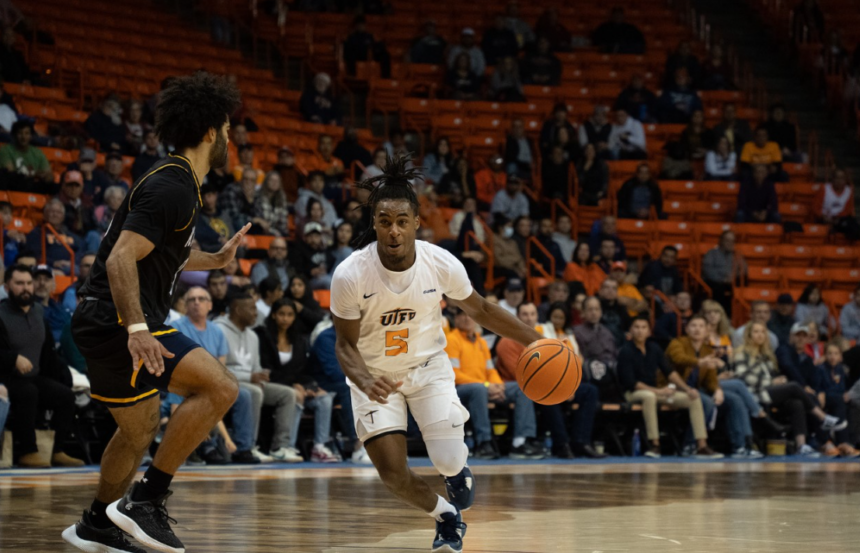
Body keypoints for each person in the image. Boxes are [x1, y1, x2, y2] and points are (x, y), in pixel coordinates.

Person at [63, 73, 247, 553]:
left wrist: (215, 260)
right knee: (220, 387)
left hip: (108, 316)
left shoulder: (176, 179)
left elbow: (161, 251)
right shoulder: (174, 186)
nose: (230, 137)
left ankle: (98, 522)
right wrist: (138, 329)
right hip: (116, 318)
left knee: (140, 428)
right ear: (210, 132)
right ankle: (147, 500)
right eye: (226, 128)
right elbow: (122, 256)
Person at [329, 155, 546, 553]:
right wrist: (362, 379)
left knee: (446, 460)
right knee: (393, 474)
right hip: (374, 375)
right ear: (373, 223)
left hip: (428, 367)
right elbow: (344, 344)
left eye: (401, 221)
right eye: (383, 221)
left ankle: (456, 469)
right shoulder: (349, 274)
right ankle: (446, 516)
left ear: (415, 222)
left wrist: (538, 339)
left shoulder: (440, 262)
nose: (393, 231)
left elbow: (480, 310)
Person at [496, 302, 605, 459]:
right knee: (549, 396)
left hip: (548, 384)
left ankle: (581, 442)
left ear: (537, 317)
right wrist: (559, 387)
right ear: (517, 317)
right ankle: (561, 444)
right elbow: (521, 376)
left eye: (532, 314)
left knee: (590, 391)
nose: (529, 318)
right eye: (524, 314)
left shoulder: (543, 340)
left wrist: (569, 387)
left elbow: (559, 367)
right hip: (525, 387)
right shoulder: (508, 341)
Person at [1, 264, 84, 468]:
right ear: (7, 286)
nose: (26, 288)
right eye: (19, 283)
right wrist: (13, 359)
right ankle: (27, 452)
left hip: (34, 376)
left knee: (65, 395)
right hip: (6, 378)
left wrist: (62, 376)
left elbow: (47, 352)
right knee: (28, 392)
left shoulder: (39, 311)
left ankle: (57, 450)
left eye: (28, 283)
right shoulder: (0, 313)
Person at [172, 286, 260, 464]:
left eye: (201, 299)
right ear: (185, 305)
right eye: (192, 299)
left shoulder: (217, 332)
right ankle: (208, 447)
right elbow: (174, 364)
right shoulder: (175, 328)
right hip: (183, 382)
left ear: (210, 305)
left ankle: (244, 448)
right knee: (204, 397)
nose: (197, 303)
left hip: (212, 382)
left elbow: (221, 368)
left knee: (243, 395)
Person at [735, 322, 846, 457]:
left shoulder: (767, 355)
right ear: (749, 335)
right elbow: (742, 378)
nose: (760, 335)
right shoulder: (741, 353)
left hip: (769, 392)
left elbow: (773, 374)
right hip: (753, 394)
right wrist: (772, 381)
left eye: (762, 332)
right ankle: (822, 417)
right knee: (794, 386)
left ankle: (801, 445)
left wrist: (779, 380)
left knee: (796, 402)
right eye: (756, 332)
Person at [215, 293, 303, 463]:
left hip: (248, 382)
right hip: (229, 383)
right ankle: (249, 446)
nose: (256, 313)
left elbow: (255, 367)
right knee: (255, 392)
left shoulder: (253, 336)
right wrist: (250, 376)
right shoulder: (219, 330)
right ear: (238, 310)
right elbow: (218, 369)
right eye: (252, 308)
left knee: (287, 393)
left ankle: (280, 447)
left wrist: (261, 376)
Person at [447, 307, 543, 460]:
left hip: (484, 388)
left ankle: (520, 442)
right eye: (462, 315)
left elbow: (491, 370)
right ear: (456, 319)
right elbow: (454, 374)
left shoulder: (481, 341)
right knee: (478, 390)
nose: (466, 318)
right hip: (459, 390)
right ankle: (483, 442)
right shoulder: (452, 339)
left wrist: (499, 386)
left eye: (470, 314)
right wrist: (486, 386)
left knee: (522, 388)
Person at [256, 298, 339, 462]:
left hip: (297, 386)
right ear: (273, 315)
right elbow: (266, 369)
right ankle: (288, 446)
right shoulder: (263, 337)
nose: (285, 318)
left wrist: (311, 386)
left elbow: (303, 370)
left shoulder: (299, 340)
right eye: (281, 314)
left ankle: (319, 447)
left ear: (294, 317)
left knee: (324, 398)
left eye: (289, 315)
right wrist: (294, 385)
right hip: (274, 385)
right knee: (294, 395)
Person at [617, 317, 713, 458]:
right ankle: (654, 444)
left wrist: (687, 389)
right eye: (636, 327)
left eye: (644, 327)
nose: (640, 331)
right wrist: (659, 391)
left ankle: (701, 446)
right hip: (632, 393)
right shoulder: (625, 351)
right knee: (649, 396)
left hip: (656, 392)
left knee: (693, 398)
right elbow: (631, 383)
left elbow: (670, 372)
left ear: (649, 332)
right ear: (630, 331)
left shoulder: (654, 348)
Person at [310, 323, 373, 464]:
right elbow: (334, 372)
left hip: (351, 380)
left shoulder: (361, 338)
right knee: (351, 389)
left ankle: (384, 442)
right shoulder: (326, 338)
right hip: (324, 383)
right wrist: (364, 380)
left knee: (381, 386)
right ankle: (359, 445)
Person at [814, 343, 860, 457]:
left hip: (838, 398)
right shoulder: (820, 369)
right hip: (826, 397)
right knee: (839, 402)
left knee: (852, 404)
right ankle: (840, 442)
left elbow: (846, 386)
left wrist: (847, 393)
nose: (832, 356)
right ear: (824, 355)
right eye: (829, 353)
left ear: (840, 356)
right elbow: (816, 386)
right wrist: (820, 392)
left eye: (835, 353)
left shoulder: (841, 370)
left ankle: (851, 442)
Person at [701, 230, 745, 314]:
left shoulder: (737, 255)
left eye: (732, 241)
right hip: (715, 283)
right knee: (719, 289)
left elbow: (743, 270)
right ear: (721, 241)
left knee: (740, 288)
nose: (730, 243)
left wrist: (732, 277)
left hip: (731, 283)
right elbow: (707, 271)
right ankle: (718, 313)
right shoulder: (712, 253)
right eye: (727, 240)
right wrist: (723, 279)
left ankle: (733, 316)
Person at [814, 168, 856, 236]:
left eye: (842, 178)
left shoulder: (848, 191)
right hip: (825, 218)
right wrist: (823, 216)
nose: (839, 181)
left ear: (845, 180)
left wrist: (837, 217)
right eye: (837, 178)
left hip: (840, 219)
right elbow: (815, 208)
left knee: (853, 226)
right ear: (833, 179)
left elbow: (849, 209)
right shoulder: (824, 189)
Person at [254, 171, 290, 237]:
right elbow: (260, 220)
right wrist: (274, 232)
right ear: (266, 181)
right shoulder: (258, 197)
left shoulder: (282, 199)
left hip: (277, 233)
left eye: (277, 181)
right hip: (262, 231)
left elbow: (283, 223)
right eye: (272, 180)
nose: (274, 183)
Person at [491, 216, 526, 280]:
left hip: (513, 269)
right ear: (500, 228)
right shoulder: (493, 239)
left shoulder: (512, 242)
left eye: (511, 227)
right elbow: (499, 261)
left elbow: (520, 258)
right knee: (514, 275)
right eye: (508, 226)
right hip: (497, 269)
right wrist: (515, 262)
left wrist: (522, 268)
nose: (511, 229)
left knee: (526, 275)